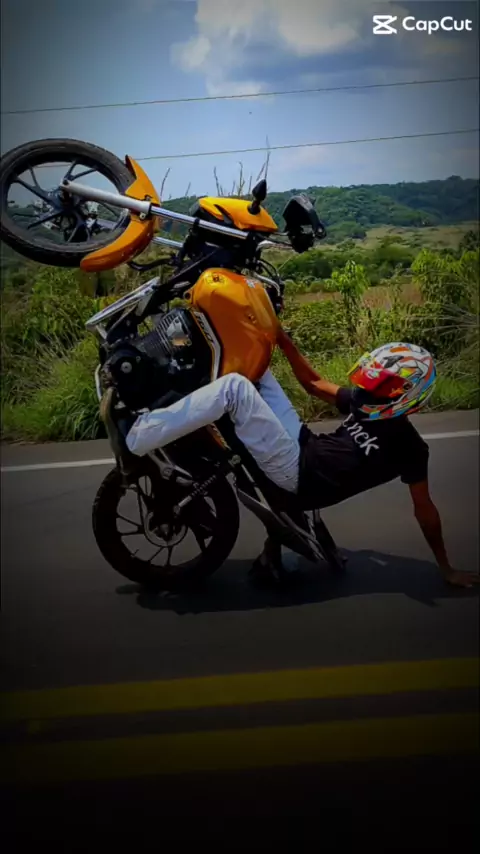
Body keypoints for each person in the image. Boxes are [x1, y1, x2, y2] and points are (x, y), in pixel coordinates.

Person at [118, 334, 478, 590]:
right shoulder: (369, 401)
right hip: (301, 443)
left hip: (299, 474)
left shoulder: (410, 448)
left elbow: (425, 511)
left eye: (385, 385)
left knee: (235, 389)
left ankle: (139, 436)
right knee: (256, 368)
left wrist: (446, 568)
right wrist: (279, 338)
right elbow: (315, 384)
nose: (373, 388)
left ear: (406, 394)